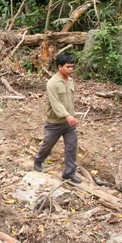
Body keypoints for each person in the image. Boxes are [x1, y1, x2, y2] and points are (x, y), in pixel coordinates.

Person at [34, 54, 81, 183]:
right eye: (68, 67)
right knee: (47, 145)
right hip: (55, 123)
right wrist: (67, 115)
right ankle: (38, 160)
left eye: (72, 66)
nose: (71, 69)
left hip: (69, 124)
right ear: (60, 67)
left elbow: (70, 100)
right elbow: (55, 103)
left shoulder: (70, 81)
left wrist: (70, 115)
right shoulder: (52, 83)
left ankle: (69, 173)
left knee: (71, 147)